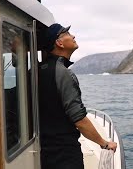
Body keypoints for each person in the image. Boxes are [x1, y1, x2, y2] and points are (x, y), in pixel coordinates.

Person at [38, 23, 117, 169]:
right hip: (64, 154)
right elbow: (79, 119)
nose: (73, 36)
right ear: (59, 43)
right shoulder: (63, 73)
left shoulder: (37, 70)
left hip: (44, 151)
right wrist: (104, 143)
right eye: (67, 34)